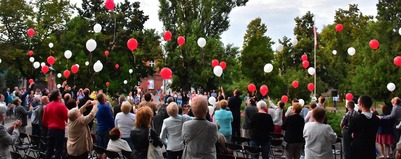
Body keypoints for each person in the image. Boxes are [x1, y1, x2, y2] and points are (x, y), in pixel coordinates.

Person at [42, 90, 69, 159]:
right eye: (60, 94)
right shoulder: (62, 106)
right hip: (60, 129)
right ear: (58, 96)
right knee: (58, 149)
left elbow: (44, 120)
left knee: (49, 149)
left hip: (51, 129)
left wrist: (49, 125)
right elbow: (67, 118)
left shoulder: (47, 106)